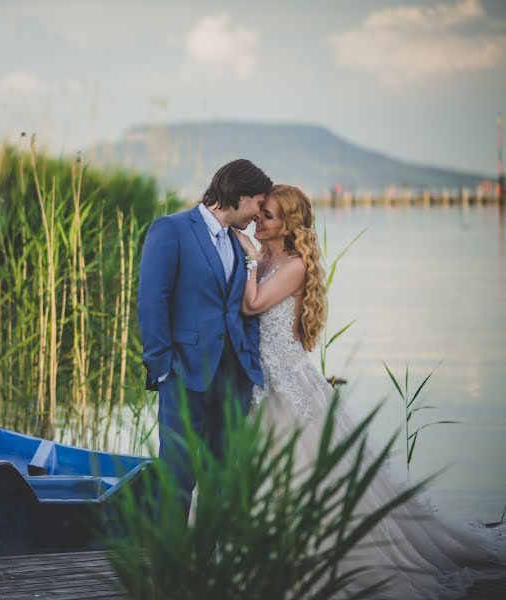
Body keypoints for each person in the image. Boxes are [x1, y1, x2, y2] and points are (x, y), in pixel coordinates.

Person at [234, 183, 506, 598]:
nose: (258, 218)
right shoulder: (264, 253)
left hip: (289, 384)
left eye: (267, 215)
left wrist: (250, 258)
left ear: (287, 225)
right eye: (260, 212)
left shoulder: (291, 264)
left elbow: (252, 306)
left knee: (307, 475)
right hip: (262, 380)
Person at [137, 158, 272, 517]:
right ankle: (170, 568)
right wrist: (162, 368)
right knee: (178, 474)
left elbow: (244, 309)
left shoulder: (239, 243)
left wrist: (249, 363)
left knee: (221, 478)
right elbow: (152, 303)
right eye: (258, 204)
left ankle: (205, 566)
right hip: (184, 375)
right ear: (241, 195)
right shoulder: (171, 230)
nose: (259, 215)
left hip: (233, 380)